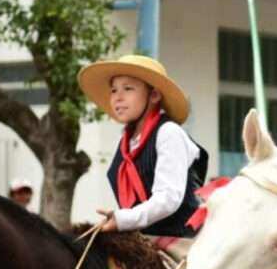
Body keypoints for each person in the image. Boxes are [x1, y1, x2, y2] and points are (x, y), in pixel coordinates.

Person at [78, 55, 208, 247]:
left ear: (154, 95)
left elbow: (167, 199)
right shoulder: (125, 144)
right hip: (142, 243)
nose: (118, 97)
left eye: (128, 89)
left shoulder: (168, 133)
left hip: (181, 243)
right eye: (114, 90)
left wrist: (124, 220)